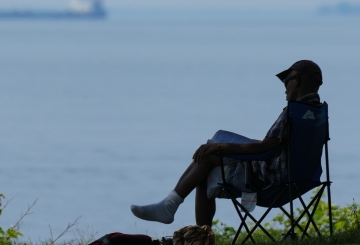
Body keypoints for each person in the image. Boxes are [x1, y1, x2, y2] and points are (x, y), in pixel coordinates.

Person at [130, 60, 324, 226]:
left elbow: (265, 147)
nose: (285, 89)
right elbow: (277, 145)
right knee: (211, 155)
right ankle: (171, 206)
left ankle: (174, 210)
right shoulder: (316, 114)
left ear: (296, 80)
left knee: (207, 159)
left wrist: (219, 147)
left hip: (268, 182)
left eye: (286, 82)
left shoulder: (292, 113)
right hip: (301, 180)